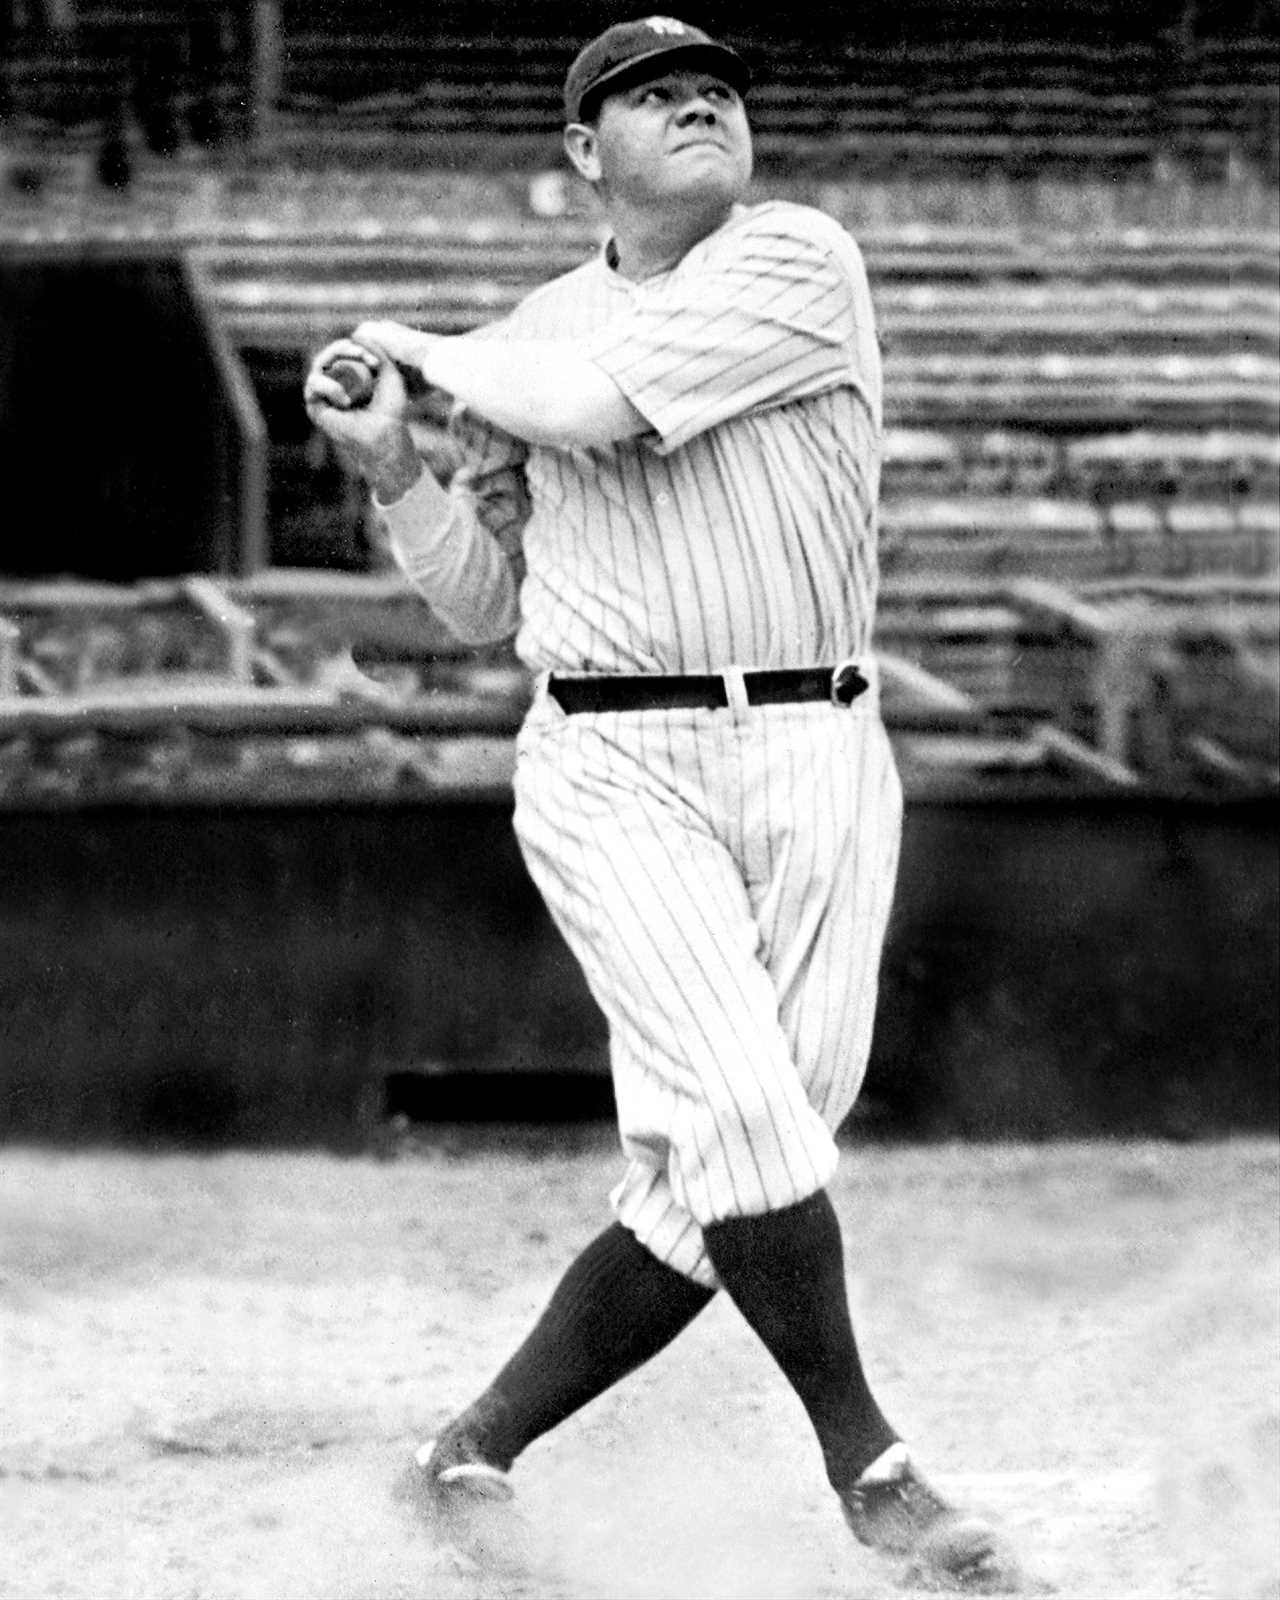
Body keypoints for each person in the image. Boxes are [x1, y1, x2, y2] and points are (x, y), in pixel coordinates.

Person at [305, 18, 1019, 1591]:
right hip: (612, 764)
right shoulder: (518, 340)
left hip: (822, 743)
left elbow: (591, 403)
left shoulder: (795, 261)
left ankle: (467, 1449)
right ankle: (873, 1467)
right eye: (649, 92)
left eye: (717, 86)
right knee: (750, 1123)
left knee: (731, 1168)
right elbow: (489, 603)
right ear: (583, 156)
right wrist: (395, 472)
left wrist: (419, 355)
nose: (701, 99)